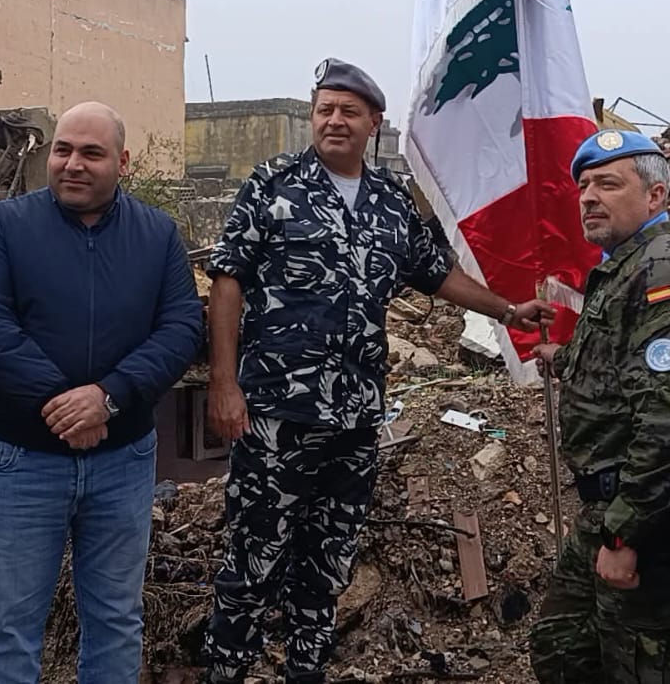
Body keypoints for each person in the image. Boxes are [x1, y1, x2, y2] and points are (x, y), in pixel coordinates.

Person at [202, 58, 556, 684]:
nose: (334, 121)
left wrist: (507, 309)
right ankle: (226, 671)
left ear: (374, 122)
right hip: (277, 413)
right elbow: (227, 281)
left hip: (355, 418)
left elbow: (435, 274)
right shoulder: (273, 184)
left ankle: (306, 670)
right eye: (324, 110)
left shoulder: (391, 200)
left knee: (328, 560)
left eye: (348, 111)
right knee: (254, 559)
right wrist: (224, 384)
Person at [0, 101, 204, 684]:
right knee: (11, 623)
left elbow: (179, 329)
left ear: (122, 162)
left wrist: (109, 397)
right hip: (24, 461)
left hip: (123, 461)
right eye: (63, 150)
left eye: (91, 153)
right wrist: (68, 404)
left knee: (116, 618)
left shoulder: (157, 235)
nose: (72, 164)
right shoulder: (5, 227)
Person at [524, 130, 670, 684]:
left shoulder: (662, 273)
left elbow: (666, 418)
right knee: (563, 650)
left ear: (655, 196)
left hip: (642, 519)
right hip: (607, 510)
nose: (588, 198)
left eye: (608, 184)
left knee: (641, 664)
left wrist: (624, 537)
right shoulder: (624, 267)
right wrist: (563, 357)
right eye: (584, 186)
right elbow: (622, 363)